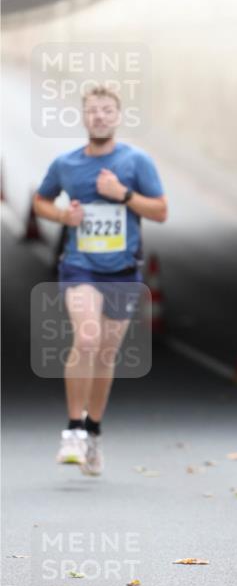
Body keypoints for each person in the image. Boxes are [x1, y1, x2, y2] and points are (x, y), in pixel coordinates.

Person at [33, 86, 167, 475]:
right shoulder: (66, 164)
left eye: (107, 110)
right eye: (93, 111)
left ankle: (93, 432)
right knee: (87, 338)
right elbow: (41, 201)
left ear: (118, 116)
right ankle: (73, 429)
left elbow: (160, 211)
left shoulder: (136, 161)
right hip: (79, 267)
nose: (100, 117)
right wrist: (63, 217)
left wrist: (122, 194)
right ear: (84, 117)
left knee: (106, 353)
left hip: (123, 270)